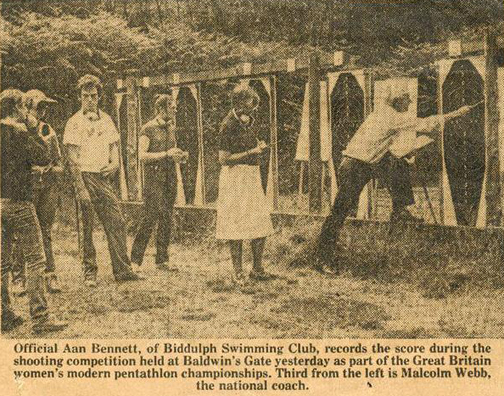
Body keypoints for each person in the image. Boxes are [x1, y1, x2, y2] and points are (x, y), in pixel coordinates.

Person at [314, 85, 475, 274]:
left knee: (397, 163)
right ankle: (322, 257)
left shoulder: (383, 113)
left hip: (367, 162)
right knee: (340, 211)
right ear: (397, 100)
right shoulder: (391, 116)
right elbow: (426, 124)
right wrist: (456, 113)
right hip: (355, 166)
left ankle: (400, 209)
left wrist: (406, 152)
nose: (410, 102)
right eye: (407, 98)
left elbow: (381, 146)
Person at [64, 75, 142, 287]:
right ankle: (90, 272)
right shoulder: (74, 122)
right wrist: (81, 189)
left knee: (116, 221)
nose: (90, 100)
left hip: (103, 177)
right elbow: (72, 159)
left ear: (99, 97)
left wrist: (115, 163)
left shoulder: (106, 119)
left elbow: (114, 147)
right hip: (85, 176)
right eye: (86, 96)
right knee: (86, 226)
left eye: (94, 96)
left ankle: (122, 270)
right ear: (80, 97)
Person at [1, 88, 68, 334]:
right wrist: (31, 127)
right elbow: (42, 155)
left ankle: (4, 314)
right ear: (18, 108)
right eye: (23, 107)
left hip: (0, 203)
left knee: (2, 261)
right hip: (21, 203)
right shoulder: (19, 133)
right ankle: (40, 318)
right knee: (37, 260)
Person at [216, 85, 276, 286]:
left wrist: (259, 147)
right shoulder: (228, 125)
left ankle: (257, 268)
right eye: (252, 103)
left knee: (259, 220)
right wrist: (252, 152)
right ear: (240, 104)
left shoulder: (250, 122)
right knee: (236, 223)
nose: (255, 108)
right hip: (235, 178)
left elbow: (253, 144)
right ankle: (237, 271)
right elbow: (224, 159)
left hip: (251, 175)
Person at [11, 90, 64, 296]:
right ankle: (18, 278)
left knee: (45, 230)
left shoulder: (48, 130)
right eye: (39, 106)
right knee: (21, 232)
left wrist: (51, 169)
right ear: (28, 107)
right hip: (26, 187)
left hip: (48, 187)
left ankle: (50, 276)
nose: (43, 111)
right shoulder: (18, 130)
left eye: (45, 107)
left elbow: (59, 163)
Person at [130, 94, 187, 273]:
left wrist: (179, 156)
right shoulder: (147, 129)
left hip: (170, 178)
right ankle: (135, 261)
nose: (175, 110)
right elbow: (142, 156)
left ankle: (162, 260)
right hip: (154, 180)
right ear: (162, 109)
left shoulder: (171, 127)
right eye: (172, 107)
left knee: (166, 218)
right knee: (149, 218)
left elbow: (171, 151)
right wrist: (166, 154)